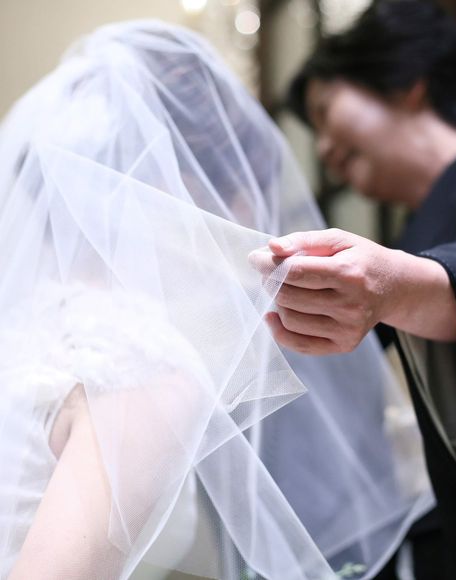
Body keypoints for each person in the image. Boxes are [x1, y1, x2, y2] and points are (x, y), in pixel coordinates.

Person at [0, 20, 433, 580]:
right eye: (236, 187)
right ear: (171, 189)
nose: (249, 222)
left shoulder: (23, 326)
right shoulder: (138, 368)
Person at [250, 1, 456, 579]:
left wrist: (396, 289)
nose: (323, 149)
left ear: (406, 83)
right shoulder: (413, 232)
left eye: (326, 112)